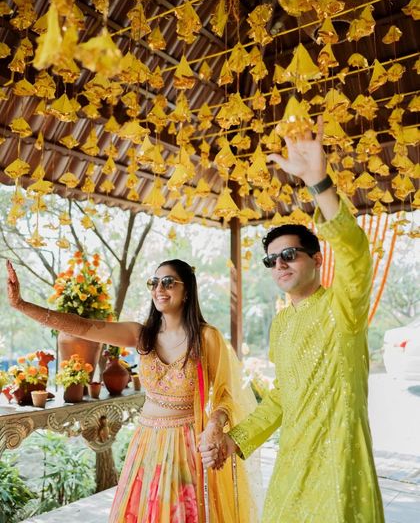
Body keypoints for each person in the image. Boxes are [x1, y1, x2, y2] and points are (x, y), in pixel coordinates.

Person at [200, 118, 385, 522]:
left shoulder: (343, 307)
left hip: (340, 464)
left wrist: (319, 183)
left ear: (316, 259)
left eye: (290, 254)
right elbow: (282, 397)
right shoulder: (281, 324)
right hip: (292, 463)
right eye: (271, 259)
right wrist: (235, 441)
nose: (279, 264)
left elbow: (355, 254)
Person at [7, 258, 260, 523]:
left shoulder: (206, 337)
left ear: (187, 291)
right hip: (147, 440)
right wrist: (21, 304)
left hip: (186, 442)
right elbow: (82, 326)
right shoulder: (142, 335)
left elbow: (226, 393)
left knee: (178, 514)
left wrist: (215, 425)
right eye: (154, 282)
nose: (159, 289)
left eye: (168, 282)